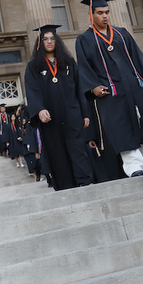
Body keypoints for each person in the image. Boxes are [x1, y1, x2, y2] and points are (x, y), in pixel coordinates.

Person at [75, 0, 143, 178]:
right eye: (100, 13)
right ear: (91, 15)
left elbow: (137, 57)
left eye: (107, 12)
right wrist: (93, 87)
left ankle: (140, 154)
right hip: (110, 92)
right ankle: (134, 166)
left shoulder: (121, 33)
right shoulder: (84, 40)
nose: (104, 16)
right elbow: (84, 68)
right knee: (121, 128)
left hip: (134, 85)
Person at [24, 24, 94, 190]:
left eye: (52, 38)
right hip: (50, 119)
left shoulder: (68, 63)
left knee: (77, 149)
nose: (49, 42)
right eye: (45, 39)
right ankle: (65, 186)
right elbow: (32, 91)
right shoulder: (33, 67)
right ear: (40, 43)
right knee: (57, 153)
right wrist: (39, 109)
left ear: (57, 41)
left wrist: (85, 114)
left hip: (72, 114)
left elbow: (79, 89)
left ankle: (84, 181)